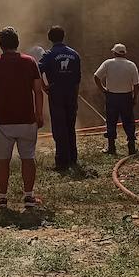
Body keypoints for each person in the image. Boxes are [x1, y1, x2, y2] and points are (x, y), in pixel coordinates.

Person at [0, 27, 44, 209]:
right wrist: (39, 114)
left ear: (1, 44)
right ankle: (29, 197)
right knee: (28, 158)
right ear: (17, 43)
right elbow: (38, 91)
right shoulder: (30, 62)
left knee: (3, 160)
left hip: (2, 121)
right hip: (27, 119)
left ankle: (2, 198)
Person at [39, 25, 81, 173]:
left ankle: (62, 161)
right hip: (71, 93)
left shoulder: (49, 55)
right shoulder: (74, 54)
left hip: (56, 93)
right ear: (63, 37)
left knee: (59, 126)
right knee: (70, 125)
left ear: (50, 38)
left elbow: (38, 70)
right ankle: (73, 157)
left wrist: (44, 86)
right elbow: (77, 78)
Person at [94, 43, 139, 156]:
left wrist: (103, 90)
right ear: (125, 53)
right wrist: (135, 97)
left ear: (114, 52)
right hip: (126, 96)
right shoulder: (131, 65)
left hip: (112, 96)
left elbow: (96, 76)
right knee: (128, 122)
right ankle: (131, 147)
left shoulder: (108, 63)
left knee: (111, 121)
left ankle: (111, 147)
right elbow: (137, 84)